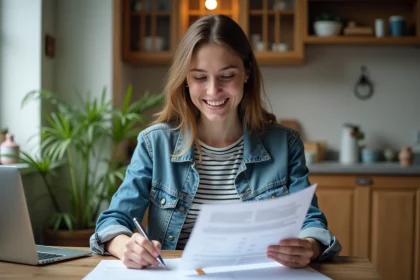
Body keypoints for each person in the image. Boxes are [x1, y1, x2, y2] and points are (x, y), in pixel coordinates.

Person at [90, 14, 341, 270]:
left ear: (246, 73)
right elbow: (113, 221)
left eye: (226, 76)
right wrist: (125, 246)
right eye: (200, 77)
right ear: (185, 80)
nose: (213, 91)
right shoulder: (154, 144)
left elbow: (312, 223)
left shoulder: (285, 144)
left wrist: (309, 245)